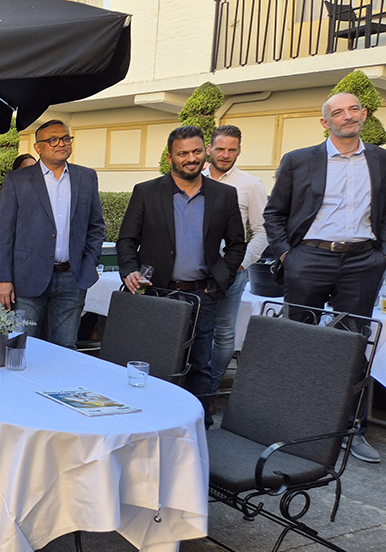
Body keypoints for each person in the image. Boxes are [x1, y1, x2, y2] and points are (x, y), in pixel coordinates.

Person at [265, 92, 386, 463]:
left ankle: (350, 430)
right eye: (338, 112)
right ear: (325, 122)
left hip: (363, 262)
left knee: (353, 345)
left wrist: (381, 256)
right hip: (309, 259)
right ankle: (287, 424)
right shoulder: (298, 160)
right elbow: (274, 214)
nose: (347, 116)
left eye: (353, 109)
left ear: (364, 114)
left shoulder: (381, 159)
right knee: (297, 341)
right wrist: (288, 255)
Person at [117, 125, 246, 428]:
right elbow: (127, 240)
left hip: (203, 294)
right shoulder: (146, 192)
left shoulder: (224, 194)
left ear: (206, 152)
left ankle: (199, 426)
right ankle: (149, 421)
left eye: (197, 151)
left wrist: (220, 280)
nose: (191, 158)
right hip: (157, 293)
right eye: (183, 153)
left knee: (200, 363)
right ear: (170, 157)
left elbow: (237, 244)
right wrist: (129, 270)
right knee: (155, 359)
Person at [0, 120, 105, 349]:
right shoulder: (18, 180)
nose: (61, 143)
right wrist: (3, 279)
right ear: (38, 147)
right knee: (21, 347)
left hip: (71, 278)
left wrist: (89, 261)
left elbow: (96, 226)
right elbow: (4, 233)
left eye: (65, 138)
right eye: (53, 140)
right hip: (28, 277)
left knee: (65, 349)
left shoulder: (86, 177)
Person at [203, 125, 268, 393]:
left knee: (223, 331)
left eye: (232, 149)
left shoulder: (250, 184)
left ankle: (210, 387)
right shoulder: (191, 178)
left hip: (231, 271)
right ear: (209, 149)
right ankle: (189, 383)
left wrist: (241, 262)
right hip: (193, 271)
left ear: (239, 151)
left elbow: (263, 230)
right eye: (220, 148)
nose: (225, 154)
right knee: (188, 328)